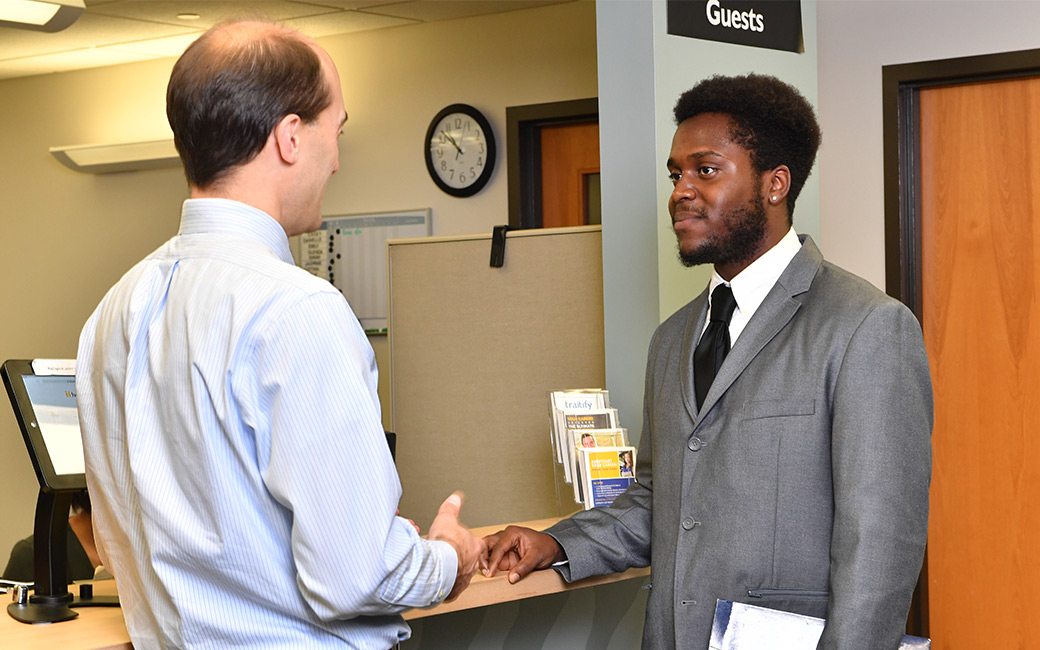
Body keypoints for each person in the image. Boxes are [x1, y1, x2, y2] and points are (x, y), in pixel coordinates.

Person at [484, 74, 933, 650]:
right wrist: (560, 542)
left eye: (706, 169)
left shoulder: (867, 327)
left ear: (775, 185)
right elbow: (659, 499)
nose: (681, 191)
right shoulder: (672, 339)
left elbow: (881, 546)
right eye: (676, 174)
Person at [76, 18, 484, 649]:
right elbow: (354, 578)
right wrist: (447, 558)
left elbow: (117, 542)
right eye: (336, 131)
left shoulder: (112, 313)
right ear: (291, 137)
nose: (339, 160)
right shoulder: (298, 311)